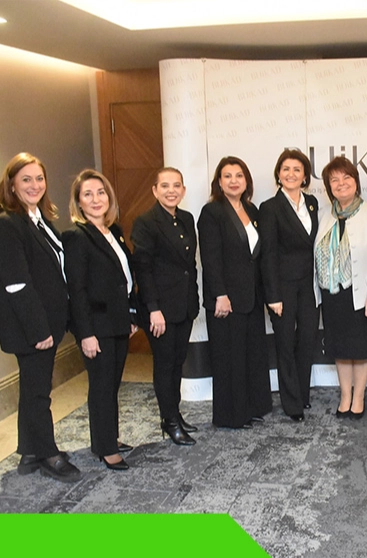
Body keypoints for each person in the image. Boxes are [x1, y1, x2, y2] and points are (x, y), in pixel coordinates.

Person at [0, 153, 80, 482]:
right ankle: (47, 454)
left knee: (32, 386)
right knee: (39, 392)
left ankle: (29, 450)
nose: (34, 185)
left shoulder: (39, 219)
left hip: (46, 321)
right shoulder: (7, 224)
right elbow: (16, 285)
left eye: (39, 178)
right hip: (31, 326)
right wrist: (39, 329)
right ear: (11, 184)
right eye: (26, 179)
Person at [63, 169, 139, 470]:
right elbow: (77, 289)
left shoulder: (113, 231)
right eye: (88, 194)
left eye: (101, 192)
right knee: (102, 387)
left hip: (117, 322)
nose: (96, 199)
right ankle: (107, 449)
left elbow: (124, 278)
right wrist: (86, 334)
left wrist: (131, 315)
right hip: (96, 326)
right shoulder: (76, 236)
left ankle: (107, 438)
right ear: (78, 202)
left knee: (111, 385)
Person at [314, 156, 367, 420]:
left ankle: (358, 397)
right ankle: (344, 396)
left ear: (356, 182)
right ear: (329, 187)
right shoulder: (325, 215)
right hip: (333, 294)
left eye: (346, 177)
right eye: (334, 180)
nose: (341, 183)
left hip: (363, 294)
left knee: (361, 349)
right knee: (340, 349)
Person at [198, 156, 273, 429]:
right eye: (227, 176)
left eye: (239, 175)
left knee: (251, 355)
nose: (233, 181)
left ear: (246, 181)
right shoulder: (212, 213)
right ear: (219, 182)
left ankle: (251, 408)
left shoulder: (252, 210)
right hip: (226, 299)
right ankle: (231, 416)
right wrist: (220, 294)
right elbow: (210, 258)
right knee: (229, 358)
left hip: (251, 297)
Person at [131, 167, 199, 445]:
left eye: (176, 185)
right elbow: (143, 269)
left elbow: (188, 265)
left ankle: (175, 414)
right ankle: (169, 421)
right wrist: (153, 309)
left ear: (183, 190)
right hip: (159, 309)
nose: (171, 191)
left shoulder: (186, 218)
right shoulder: (146, 222)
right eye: (165, 186)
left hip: (184, 305)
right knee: (164, 364)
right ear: (155, 190)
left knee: (177, 362)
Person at [260, 150, 319, 422]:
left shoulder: (312, 203)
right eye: (285, 169)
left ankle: (302, 394)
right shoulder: (270, 208)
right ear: (278, 173)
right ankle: (291, 403)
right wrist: (272, 295)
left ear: (305, 176)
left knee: (307, 340)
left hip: (309, 285)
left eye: (297, 169)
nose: (291, 174)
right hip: (282, 287)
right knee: (285, 343)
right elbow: (268, 253)